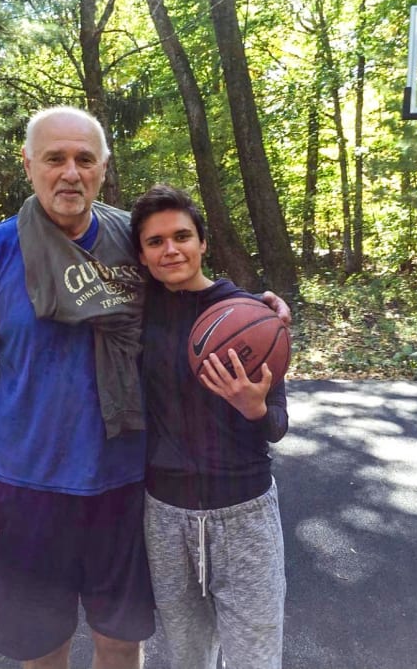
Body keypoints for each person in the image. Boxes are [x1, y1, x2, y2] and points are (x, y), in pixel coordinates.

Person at [0, 106, 291, 669]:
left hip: (125, 485)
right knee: (42, 650)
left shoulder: (132, 240)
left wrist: (258, 307)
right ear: (29, 165)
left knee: (122, 643)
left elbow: (192, 288)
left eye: (84, 159)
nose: (70, 173)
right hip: (28, 489)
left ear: (103, 167)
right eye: (54, 158)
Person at [130, 184, 289, 669]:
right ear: (142, 254)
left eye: (182, 236)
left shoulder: (250, 315)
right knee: (187, 659)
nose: (170, 249)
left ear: (203, 242)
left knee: (255, 659)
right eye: (155, 241)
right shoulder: (136, 313)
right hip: (165, 514)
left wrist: (253, 407)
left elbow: (277, 425)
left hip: (244, 512)